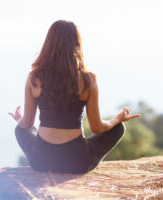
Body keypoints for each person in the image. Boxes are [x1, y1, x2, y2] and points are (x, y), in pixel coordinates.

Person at [8, 20, 140, 174]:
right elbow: (97, 127)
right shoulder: (87, 80)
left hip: (42, 160)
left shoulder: (34, 78)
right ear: (76, 43)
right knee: (118, 129)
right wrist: (117, 119)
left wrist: (19, 119)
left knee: (20, 129)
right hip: (77, 162)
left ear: (48, 43)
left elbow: (27, 124)